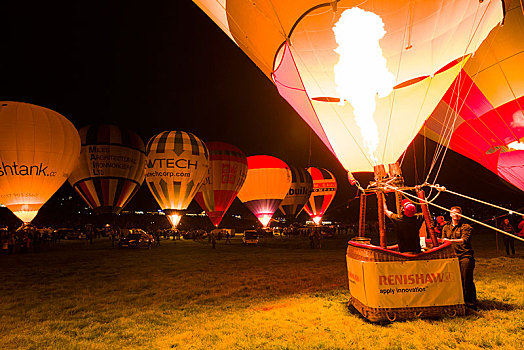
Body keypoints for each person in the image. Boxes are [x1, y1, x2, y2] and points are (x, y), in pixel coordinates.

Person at [442, 206, 477, 310]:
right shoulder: (445, 227)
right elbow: (443, 241)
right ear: (450, 214)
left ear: (461, 214)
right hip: (452, 256)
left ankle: (470, 304)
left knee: (466, 279)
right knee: (453, 280)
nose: (456, 214)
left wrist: (448, 241)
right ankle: (457, 301)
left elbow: (463, 240)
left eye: (458, 212)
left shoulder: (466, 227)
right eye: (454, 212)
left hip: (465, 256)